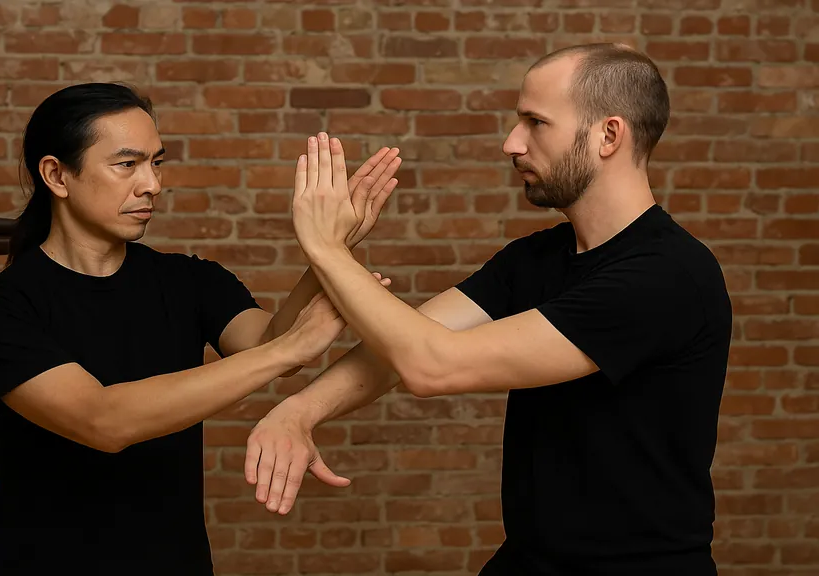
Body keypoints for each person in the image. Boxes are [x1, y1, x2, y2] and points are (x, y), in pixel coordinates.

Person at [245, 43, 733, 576]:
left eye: (535, 122)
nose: (512, 142)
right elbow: (399, 348)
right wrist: (299, 411)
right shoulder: (536, 258)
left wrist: (327, 250)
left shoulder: (664, 275)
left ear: (608, 135)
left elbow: (433, 364)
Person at [0, 82, 401, 575]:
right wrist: (289, 349)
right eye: (127, 165)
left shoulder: (190, 280)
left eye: (156, 162)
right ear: (57, 175)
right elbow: (103, 421)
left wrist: (327, 249)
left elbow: (265, 345)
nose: (152, 185)